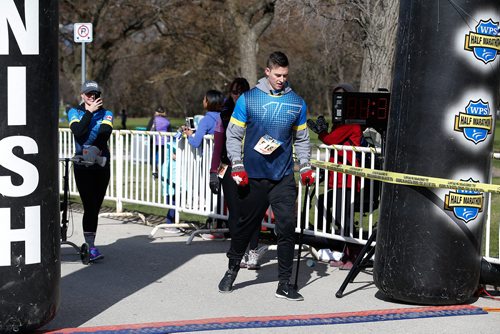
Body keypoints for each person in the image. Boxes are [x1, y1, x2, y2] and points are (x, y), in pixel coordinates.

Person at [218, 51, 314, 301]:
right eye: (278, 74)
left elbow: (302, 139)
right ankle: (232, 269)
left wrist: (305, 165)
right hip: (254, 175)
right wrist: (237, 164)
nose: (282, 79)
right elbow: (234, 134)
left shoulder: (297, 102)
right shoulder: (249, 100)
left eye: (285, 75)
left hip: (282, 177)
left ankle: (284, 283)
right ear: (267, 72)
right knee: (244, 226)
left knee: (286, 227)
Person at [307, 83, 363, 270]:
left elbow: (330, 140)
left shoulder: (352, 123)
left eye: (343, 98)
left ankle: (353, 256)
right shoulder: (341, 122)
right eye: (336, 97)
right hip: (338, 177)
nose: (339, 102)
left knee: (344, 218)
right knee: (324, 203)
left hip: (348, 179)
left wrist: (321, 131)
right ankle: (341, 251)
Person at [209, 78, 262, 269]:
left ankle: (253, 250)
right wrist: (213, 172)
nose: (237, 95)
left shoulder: (255, 110)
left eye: (241, 92)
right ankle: (237, 249)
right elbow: (218, 147)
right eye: (233, 92)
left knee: (252, 210)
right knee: (235, 211)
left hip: (251, 166)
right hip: (228, 165)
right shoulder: (223, 115)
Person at [67, 80, 113, 262]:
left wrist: (90, 144)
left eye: (95, 94)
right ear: (82, 95)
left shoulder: (107, 113)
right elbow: (77, 132)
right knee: (89, 206)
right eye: (88, 94)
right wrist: (89, 112)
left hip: (101, 164)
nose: (92, 97)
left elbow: (103, 135)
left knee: (96, 206)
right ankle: (91, 246)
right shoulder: (74, 111)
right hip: (82, 166)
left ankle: (91, 243)